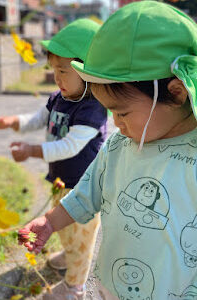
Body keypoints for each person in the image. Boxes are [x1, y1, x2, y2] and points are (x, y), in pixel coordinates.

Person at [18, 2, 197, 299]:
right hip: (109, 288)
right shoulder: (118, 146)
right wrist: (50, 222)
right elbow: (86, 194)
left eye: (122, 113)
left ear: (176, 93)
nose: (115, 123)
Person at [0, 18, 108, 300]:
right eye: (54, 70)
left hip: (84, 190)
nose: (57, 78)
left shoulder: (92, 108)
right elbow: (39, 118)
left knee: (82, 240)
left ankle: (74, 288)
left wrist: (32, 150)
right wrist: (11, 121)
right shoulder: (59, 97)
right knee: (62, 226)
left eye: (64, 71)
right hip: (61, 183)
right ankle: (68, 250)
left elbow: (69, 146)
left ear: (87, 72)